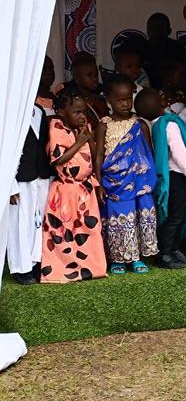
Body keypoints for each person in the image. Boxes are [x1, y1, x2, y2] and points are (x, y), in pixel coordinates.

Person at [40, 87, 106, 283]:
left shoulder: (84, 129)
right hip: (66, 189)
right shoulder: (57, 127)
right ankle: (62, 270)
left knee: (89, 229)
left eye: (84, 111)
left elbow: (94, 156)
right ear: (61, 112)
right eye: (77, 112)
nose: (82, 116)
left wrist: (88, 137)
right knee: (64, 231)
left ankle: (91, 269)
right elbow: (58, 159)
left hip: (85, 189)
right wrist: (79, 142)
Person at [136, 88, 186, 270]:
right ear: (160, 104)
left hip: (171, 176)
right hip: (178, 176)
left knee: (175, 216)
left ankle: (174, 250)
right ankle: (165, 253)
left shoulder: (157, 124)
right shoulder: (170, 124)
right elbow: (180, 155)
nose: (165, 97)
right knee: (175, 217)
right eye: (161, 96)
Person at [94, 76, 159, 274]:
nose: (125, 104)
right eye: (120, 100)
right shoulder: (103, 125)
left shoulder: (140, 124)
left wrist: (150, 179)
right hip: (115, 182)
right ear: (109, 100)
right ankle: (117, 259)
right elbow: (98, 157)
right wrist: (99, 183)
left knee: (138, 216)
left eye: (128, 99)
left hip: (139, 183)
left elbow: (148, 154)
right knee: (119, 217)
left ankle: (137, 257)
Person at [6, 102, 51, 284]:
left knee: (38, 223)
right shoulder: (9, 109)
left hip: (41, 174)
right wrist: (9, 184)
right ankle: (21, 268)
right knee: (19, 224)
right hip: (20, 177)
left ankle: (36, 263)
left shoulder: (39, 110)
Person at [143, 13, 186, 89]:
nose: (155, 32)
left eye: (159, 28)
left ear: (169, 31)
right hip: (146, 94)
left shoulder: (177, 49)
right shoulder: (141, 48)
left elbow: (185, 75)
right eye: (152, 28)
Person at [66, 53, 108, 126]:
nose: (94, 78)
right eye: (89, 75)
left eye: (96, 74)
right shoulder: (72, 100)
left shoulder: (102, 94)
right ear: (76, 78)